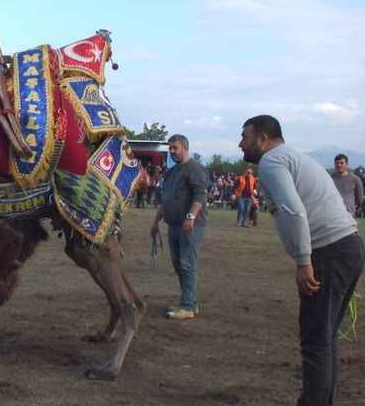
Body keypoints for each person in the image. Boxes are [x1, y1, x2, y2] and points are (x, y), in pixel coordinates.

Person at [238, 115, 364, 406]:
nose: (240, 143)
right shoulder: (294, 156)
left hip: (328, 252)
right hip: (347, 247)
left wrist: (303, 260)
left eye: (245, 137)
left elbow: (293, 210)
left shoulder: (272, 161)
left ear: (262, 139)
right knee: (325, 336)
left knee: (316, 341)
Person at [150, 134, 209, 320]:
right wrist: (155, 222)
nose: (172, 151)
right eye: (170, 148)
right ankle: (190, 301)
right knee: (178, 264)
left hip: (190, 226)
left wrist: (190, 217)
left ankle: (187, 306)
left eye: (175, 148)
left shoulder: (196, 169)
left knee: (186, 263)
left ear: (185, 147)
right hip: (174, 225)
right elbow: (164, 200)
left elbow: (200, 196)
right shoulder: (172, 172)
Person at [330, 154, 363, 218]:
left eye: (342, 163)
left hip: (350, 215)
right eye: (337, 163)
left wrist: (358, 212)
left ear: (347, 164)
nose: (339, 165)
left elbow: (360, 200)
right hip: (334, 215)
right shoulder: (330, 179)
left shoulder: (356, 179)